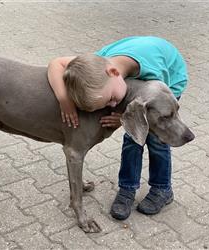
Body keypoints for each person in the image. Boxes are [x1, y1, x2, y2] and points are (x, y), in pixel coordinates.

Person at [47, 36, 188, 220]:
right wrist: (64, 100)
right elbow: (56, 63)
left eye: (112, 98)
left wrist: (123, 117)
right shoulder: (95, 66)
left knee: (156, 140)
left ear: (113, 73)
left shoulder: (154, 72)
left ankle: (162, 189)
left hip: (168, 83)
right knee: (133, 139)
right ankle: (127, 188)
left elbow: (157, 97)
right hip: (139, 76)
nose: (112, 104)